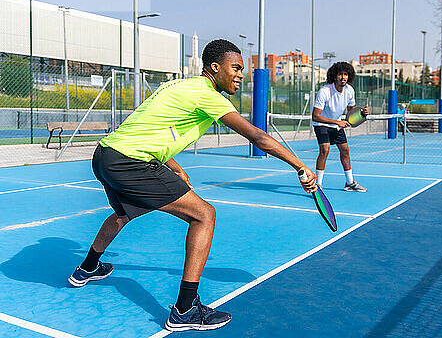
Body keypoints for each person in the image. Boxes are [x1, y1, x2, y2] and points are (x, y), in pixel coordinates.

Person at [67, 39, 317, 332]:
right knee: (204, 215)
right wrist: (300, 166)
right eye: (235, 68)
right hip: (130, 162)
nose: (240, 75)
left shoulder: (177, 86)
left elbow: (149, 128)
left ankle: (87, 267)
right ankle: (185, 310)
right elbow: (258, 138)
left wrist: (173, 166)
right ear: (215, 67)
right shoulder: (209, 95)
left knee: (124, 214)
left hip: (106, 155)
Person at [311, 61, 368, 192]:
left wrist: (361, 113)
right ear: (334, 76)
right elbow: (315, 116)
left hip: (336, 124)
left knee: (345, 151)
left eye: (346, 74)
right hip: (321, 124)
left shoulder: (349, 91)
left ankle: (350, 183)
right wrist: (337, 122)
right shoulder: (324, 91)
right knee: (324, 150)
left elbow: (351, 112)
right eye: (340, 74)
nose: (343, 77)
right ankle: (318, 184)